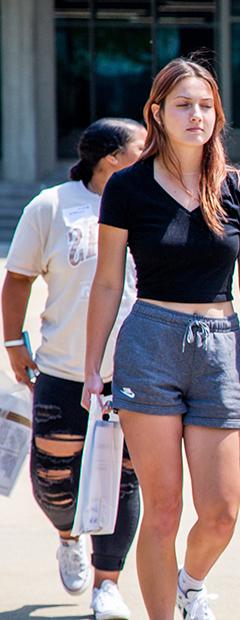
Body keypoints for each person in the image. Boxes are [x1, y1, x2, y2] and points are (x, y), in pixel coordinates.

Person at [83, 58, 240, 620]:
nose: (197, 115)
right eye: (183, 105)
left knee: (221, 512)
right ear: (158, 114)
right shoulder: (127, 187)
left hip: (221, 347)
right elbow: (108, 281)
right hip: (150, 343)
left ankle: (191, 583)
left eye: (206, 105)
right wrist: (94, 369)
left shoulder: (239, 189)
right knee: (163, 510)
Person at [3, 118, 145, 620]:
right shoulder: (52, 206)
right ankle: (68, 534)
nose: (150, 153)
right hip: (62, 369)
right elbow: (18, 278)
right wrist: (12, 341)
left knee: (125, 479)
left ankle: (108, 583)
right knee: (53, 478)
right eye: (141, 147)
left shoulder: (148, 199)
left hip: (134, 371)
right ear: (110, 158)